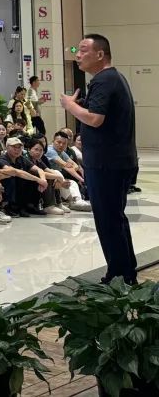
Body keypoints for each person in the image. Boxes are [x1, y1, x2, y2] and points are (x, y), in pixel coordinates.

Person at [61, 34, 138, 284]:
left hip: (107, 163)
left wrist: (70, 106)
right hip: (114, 161)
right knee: (114, 218)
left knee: (108, 221)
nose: (78, 55)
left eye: (83, 50)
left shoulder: (104, 80)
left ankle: (119, 277)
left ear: (100, 54)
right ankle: (125, 272)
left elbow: (95, 118)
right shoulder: (112, 78)